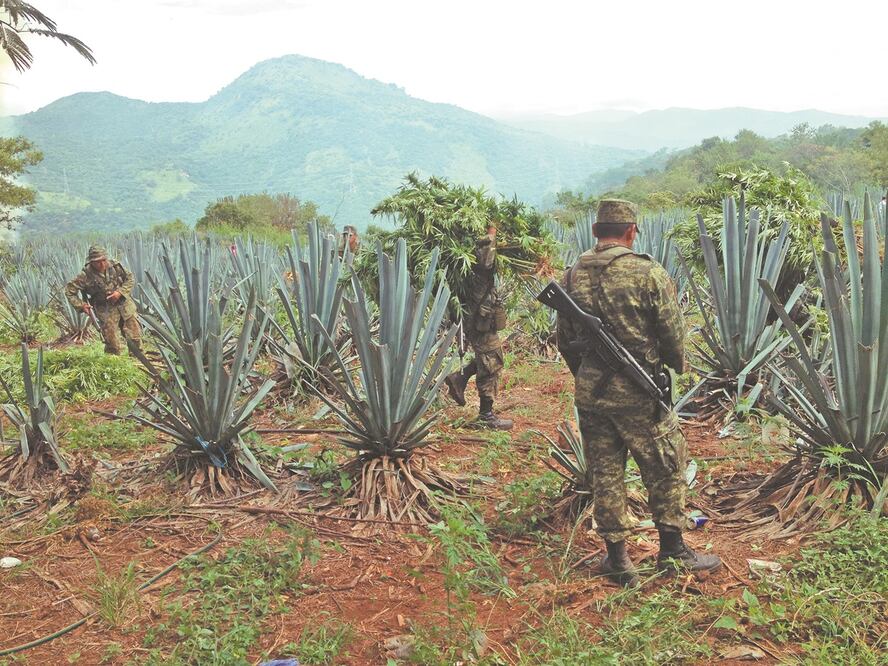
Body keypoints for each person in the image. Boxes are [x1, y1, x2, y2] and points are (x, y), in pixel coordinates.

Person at [556, 199, 721, 586]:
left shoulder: (571, 276)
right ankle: (673, 550)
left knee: (606, 474)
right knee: (664, 466)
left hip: (592, 395)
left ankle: (618, 560)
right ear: (630, 231)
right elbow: (673, 337)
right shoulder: (648, 272)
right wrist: (671, 368)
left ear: (597, 232)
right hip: (639, 394)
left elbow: (565, 340)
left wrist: (586, 374)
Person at [444, 224, 513, 430]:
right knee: (492, 360)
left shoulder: (467, 264)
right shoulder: (478, 264)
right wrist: (491, 235)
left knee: (489, 357)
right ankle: (486, 415)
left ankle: (460, 377)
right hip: (479, 321)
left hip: (478, 319)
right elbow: (485, 259)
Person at [65, 245, 141, 355]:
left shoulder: (115, 266)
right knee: (112, 342)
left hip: (124, 305)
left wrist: (119, 292)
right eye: (97, 262)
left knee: (135, 336)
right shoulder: (85, 275)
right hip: (105, 309)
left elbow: (130, 278)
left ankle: (138, 362)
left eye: (104, 260)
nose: (102, 264)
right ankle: (114, 365)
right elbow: (69, 291)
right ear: (91, 262)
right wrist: (81, 305)